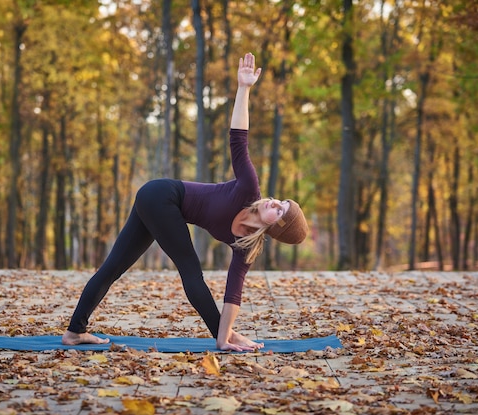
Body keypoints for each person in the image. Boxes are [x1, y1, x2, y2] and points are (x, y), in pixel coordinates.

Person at [62, 53, 308, 352]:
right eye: (280, 201)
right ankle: (220, 335)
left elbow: (234, 293)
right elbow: (238, 138)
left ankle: (75, 331)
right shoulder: (249, 188)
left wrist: (228, 332)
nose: (274, 202)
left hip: (160, 206)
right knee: (191, 270)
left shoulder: (247, 245)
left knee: (115, 266)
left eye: (280, 210)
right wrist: (244, 89)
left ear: (276, 228)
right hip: (161, 195)